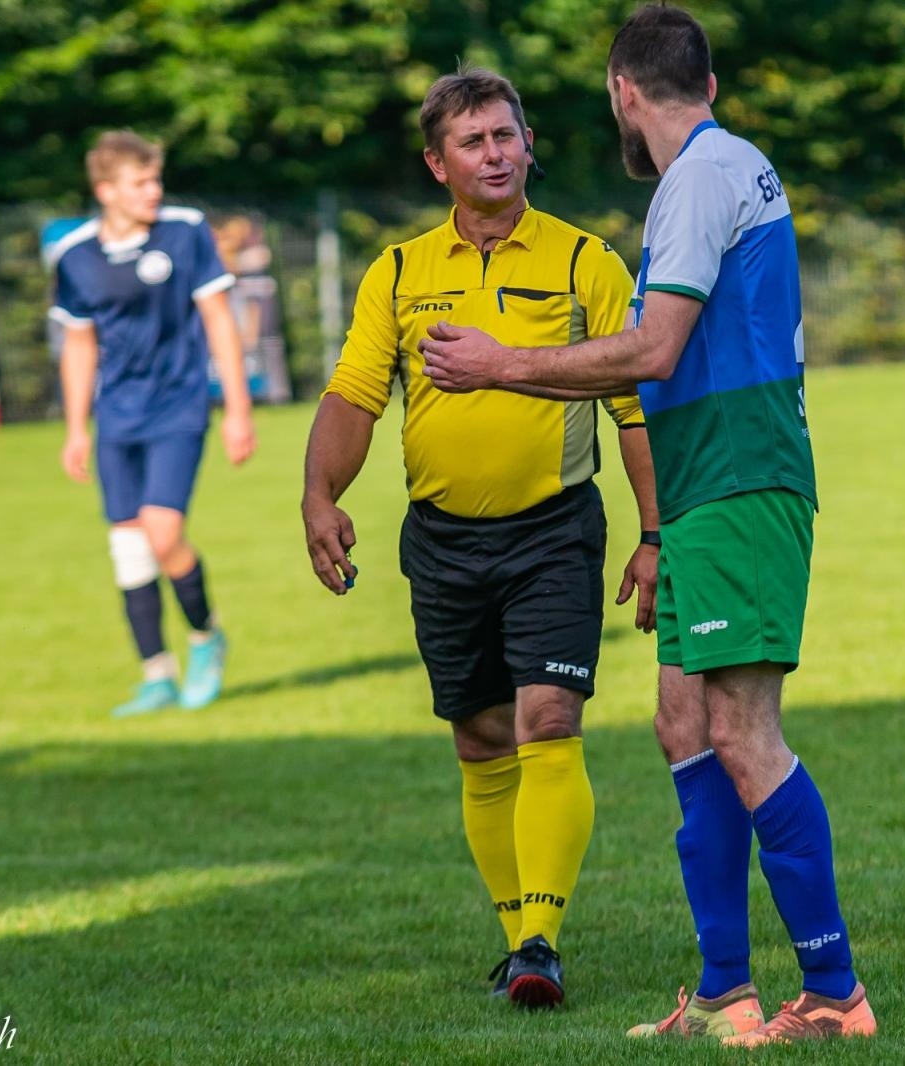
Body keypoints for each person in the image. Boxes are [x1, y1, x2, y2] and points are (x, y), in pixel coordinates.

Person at [419, 5, 876, 1045]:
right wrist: (658, 529)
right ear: (703, 82)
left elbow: (653, 348)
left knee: (742, 735)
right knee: (683, 723)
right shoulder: (719, 171)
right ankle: (724, 990)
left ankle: (837, 994)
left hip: (736, 480)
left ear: (625, 93)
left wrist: (503, 366)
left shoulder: (698, 183)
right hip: (707, 492)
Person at [301, 67, 662, 1010]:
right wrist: (318, 494)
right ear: (437, 163)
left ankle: (540, 934)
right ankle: (520, 947)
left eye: (508, 135)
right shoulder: (400, 271)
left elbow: (635, 409)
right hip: (443, 542)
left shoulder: (586, 259)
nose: (497, 153)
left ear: (529, 144)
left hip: (554, 531)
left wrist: (654, 532)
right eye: (474, 141)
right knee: (479, 737)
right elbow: (353, 394)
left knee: (548, 718)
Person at [50, 131, 256, 718]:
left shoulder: (184, 231)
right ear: (105, 190)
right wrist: (75, 428)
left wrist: (237, 410)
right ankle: (156, 675)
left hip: (178, 408)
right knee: (128, 550)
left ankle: (205, 637)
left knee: (163, 534)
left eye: (155, 180)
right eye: (140, 183)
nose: (154, 191)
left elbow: (218, 320)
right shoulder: (75, 257)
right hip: (117, 419)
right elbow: (79, 346)